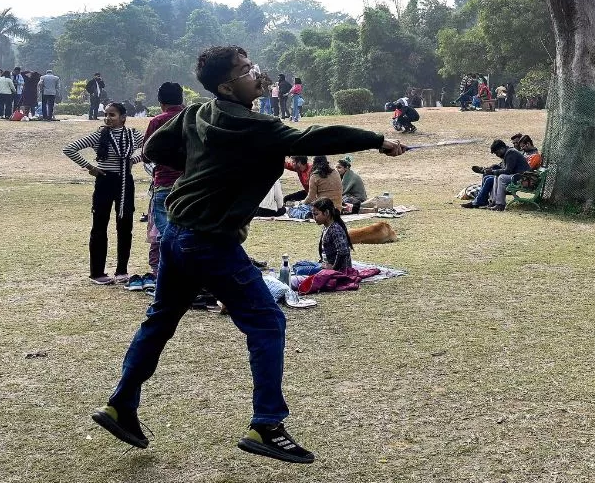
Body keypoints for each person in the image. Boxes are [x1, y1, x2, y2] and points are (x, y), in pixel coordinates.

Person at [90, 44, 407, 464]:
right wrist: (378, 140)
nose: (256, 73)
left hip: (177, 233)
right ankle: (267, 425)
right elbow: (315, 137)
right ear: (226, 84)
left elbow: (156, 149)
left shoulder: (196, 114)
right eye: (245, 69)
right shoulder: (256, 126)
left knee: (162, 318)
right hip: (210, 241)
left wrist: (205, 161)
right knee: (267, 321)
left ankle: (121, 405)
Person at [64, 102, 146, 284]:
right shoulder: (100, 135)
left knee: (125, 226)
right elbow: (69, 149)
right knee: (100, 225)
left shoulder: (133, 135)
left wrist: (135, 159)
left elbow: (151, 149)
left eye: (113, 115)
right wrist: (90, 167)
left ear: (123, 117)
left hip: (125, 181)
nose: (108, 118)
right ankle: (97, 272)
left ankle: (122, 270)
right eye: (106, 115)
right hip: (104, 181)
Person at [142, 83, 187, 278]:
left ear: (160, 102)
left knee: (165, 233)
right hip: (189, 183)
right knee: (187, 229)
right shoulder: (193, 118)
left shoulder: (158, 121)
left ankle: (164, 272)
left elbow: (146, 154)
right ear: (182, 98)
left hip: (164, 183)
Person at [462, 138, 529, 210]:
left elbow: (508, 171)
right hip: (516, 175)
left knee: (501, 177)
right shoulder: (507, 153)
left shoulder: (511, 153)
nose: (497, 155)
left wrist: (493, 172)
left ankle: (500, 204)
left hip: (522, 177)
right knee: (492, 176)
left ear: (502, 148)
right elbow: (505, 168)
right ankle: (492, 202)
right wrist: (492, 169)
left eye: (497, 153)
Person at [311, 198, 353, 272]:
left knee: (299, 270)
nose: (314, 217)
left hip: (337, 269)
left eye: (316, 214)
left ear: (326, 213)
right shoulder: (326, 226)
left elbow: (343, 251)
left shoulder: (335, 229)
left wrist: (334, 268)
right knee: (299, 264)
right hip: (325, 264)